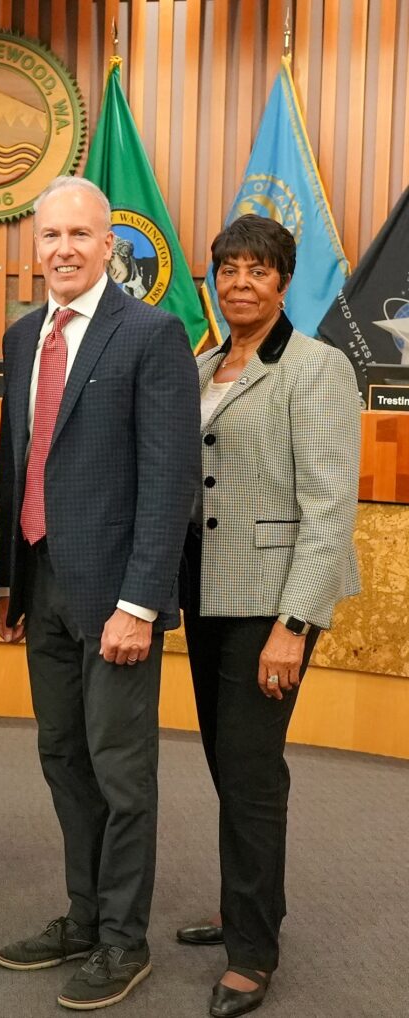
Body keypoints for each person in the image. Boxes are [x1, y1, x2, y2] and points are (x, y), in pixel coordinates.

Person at [0, 176, 200, 1010]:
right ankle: (83, 915)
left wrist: (141, 604)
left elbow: (170, 481)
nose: (65, 250)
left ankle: (123, 938)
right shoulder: (18, 335)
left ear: (108, 245)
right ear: (34, 247)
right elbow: (20, 466)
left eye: (81, 235)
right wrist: (8, 582)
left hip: (117, 601)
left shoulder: (151, 334)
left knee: (120, 771)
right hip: (41, 589)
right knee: (63, 759)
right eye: (51, 237)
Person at [175, 214, 360, 1018]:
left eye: (259, 269)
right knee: (226, 764)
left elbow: (327, 508)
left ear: (284, 281)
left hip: (272, 605)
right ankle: (244, 902)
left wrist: (295, 623)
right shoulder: (202, 364)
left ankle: (251, 951)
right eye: (228, 268)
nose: (241, 282)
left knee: (251, 775)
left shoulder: (316, 368)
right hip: (207, 594)